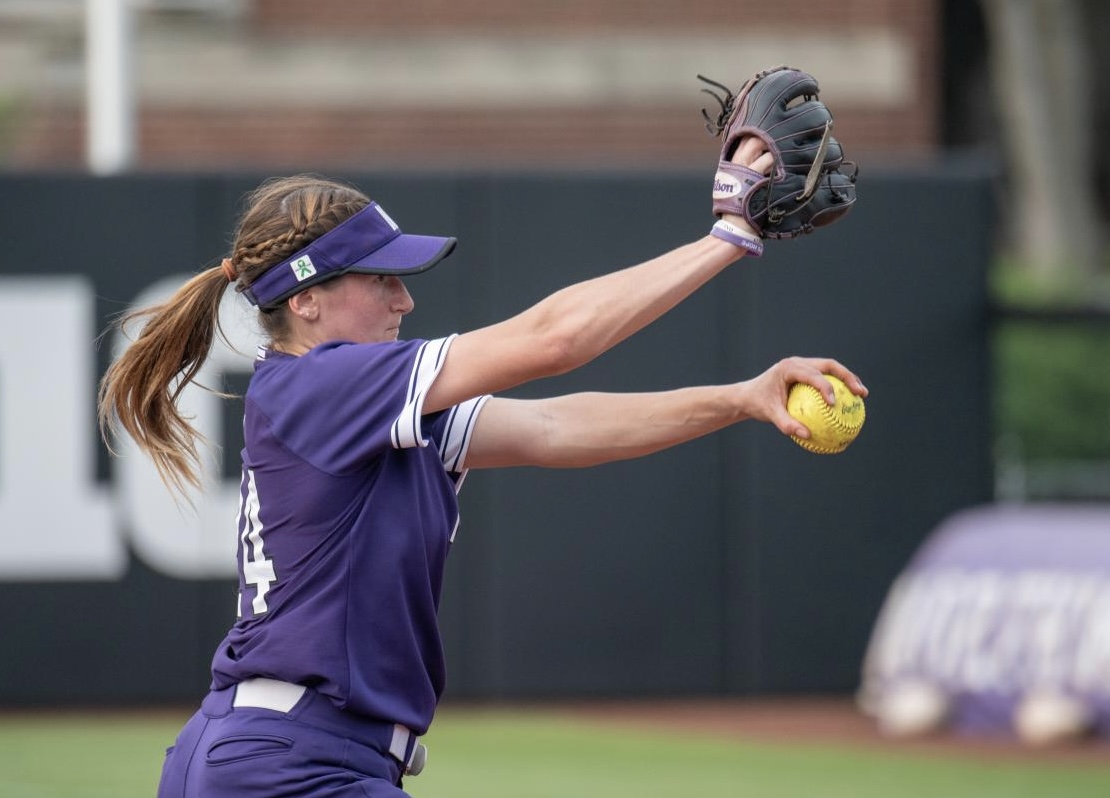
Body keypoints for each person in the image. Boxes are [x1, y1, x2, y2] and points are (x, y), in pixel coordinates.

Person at [98, 134, 866, 797]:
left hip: (284, 756)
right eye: (379, 279)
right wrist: (727, 235)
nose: (402, 301)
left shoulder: (364, 406)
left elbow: (560, 425)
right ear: (305, 300)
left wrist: (739, 397)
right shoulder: (321, 384)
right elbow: (553, 340)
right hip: (289, 765)